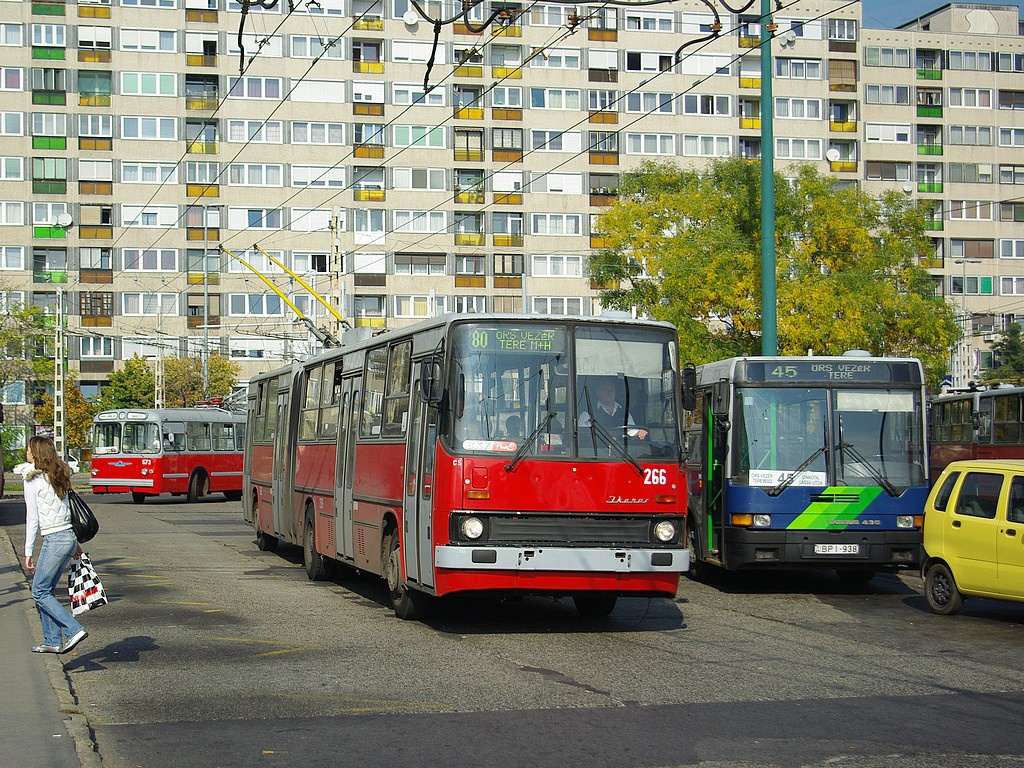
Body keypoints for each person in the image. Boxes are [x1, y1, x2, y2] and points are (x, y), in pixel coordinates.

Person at [21, 435, 88, 655]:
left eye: (29, 449)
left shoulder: (32, 479)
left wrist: (28, 551)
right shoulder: (58, 474)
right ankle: (51, 640)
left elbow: (32, 518)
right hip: (67, 537)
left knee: (39, 591)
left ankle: (73, 629)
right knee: (46, 590)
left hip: (56, 538)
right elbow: (66, 509)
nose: (26, 452)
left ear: (37, 453)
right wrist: (74, 543)